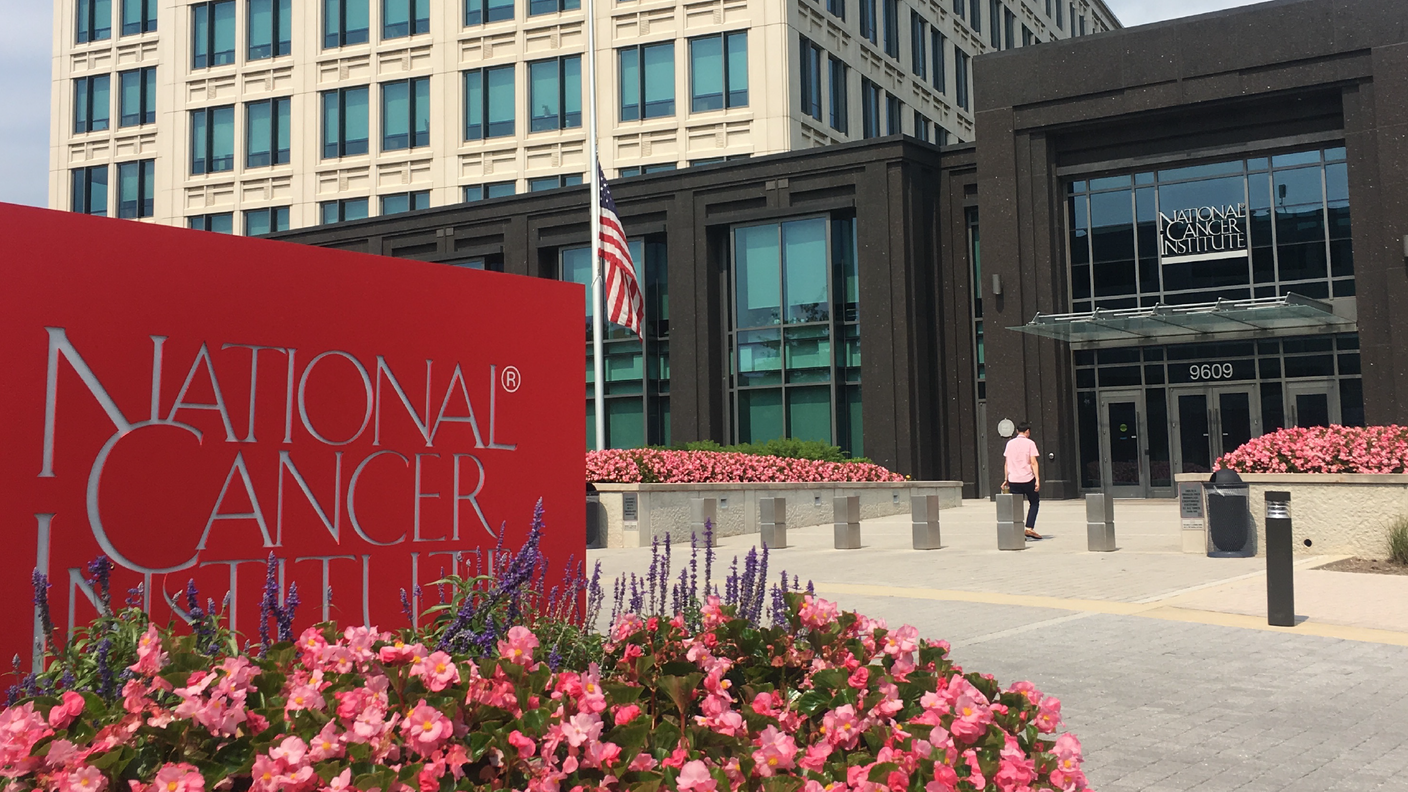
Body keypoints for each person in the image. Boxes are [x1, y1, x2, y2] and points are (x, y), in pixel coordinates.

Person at [1002, 421, 1042, 540]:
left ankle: (1017, 532)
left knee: (1016, 505)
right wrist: (1037, 479)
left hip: (1013, 479)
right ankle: (1029, 527)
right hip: (1027, 478)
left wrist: (1006, 479)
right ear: (1027, 431)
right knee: (1034, 502)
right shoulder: (1030, 443)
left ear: (1017, 431)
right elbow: (1033, 462)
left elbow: (1007, 463)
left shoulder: (1009, 444)